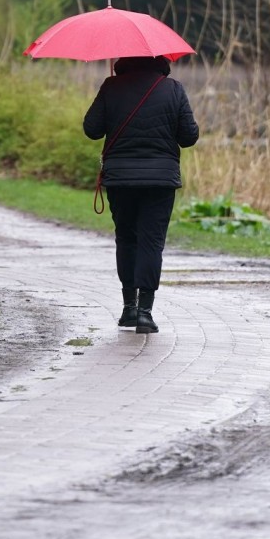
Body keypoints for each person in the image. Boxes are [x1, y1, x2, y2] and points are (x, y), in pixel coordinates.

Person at [83, 55, 199, 334]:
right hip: (160, 181)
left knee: (126, 238)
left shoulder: (112, 86)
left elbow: (91, 129)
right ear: (159, 59)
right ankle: (145, 313)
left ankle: (128, 309)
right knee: (151, 241)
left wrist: (112, 96)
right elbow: (189, 136)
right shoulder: (173, 89)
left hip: (121, 179)